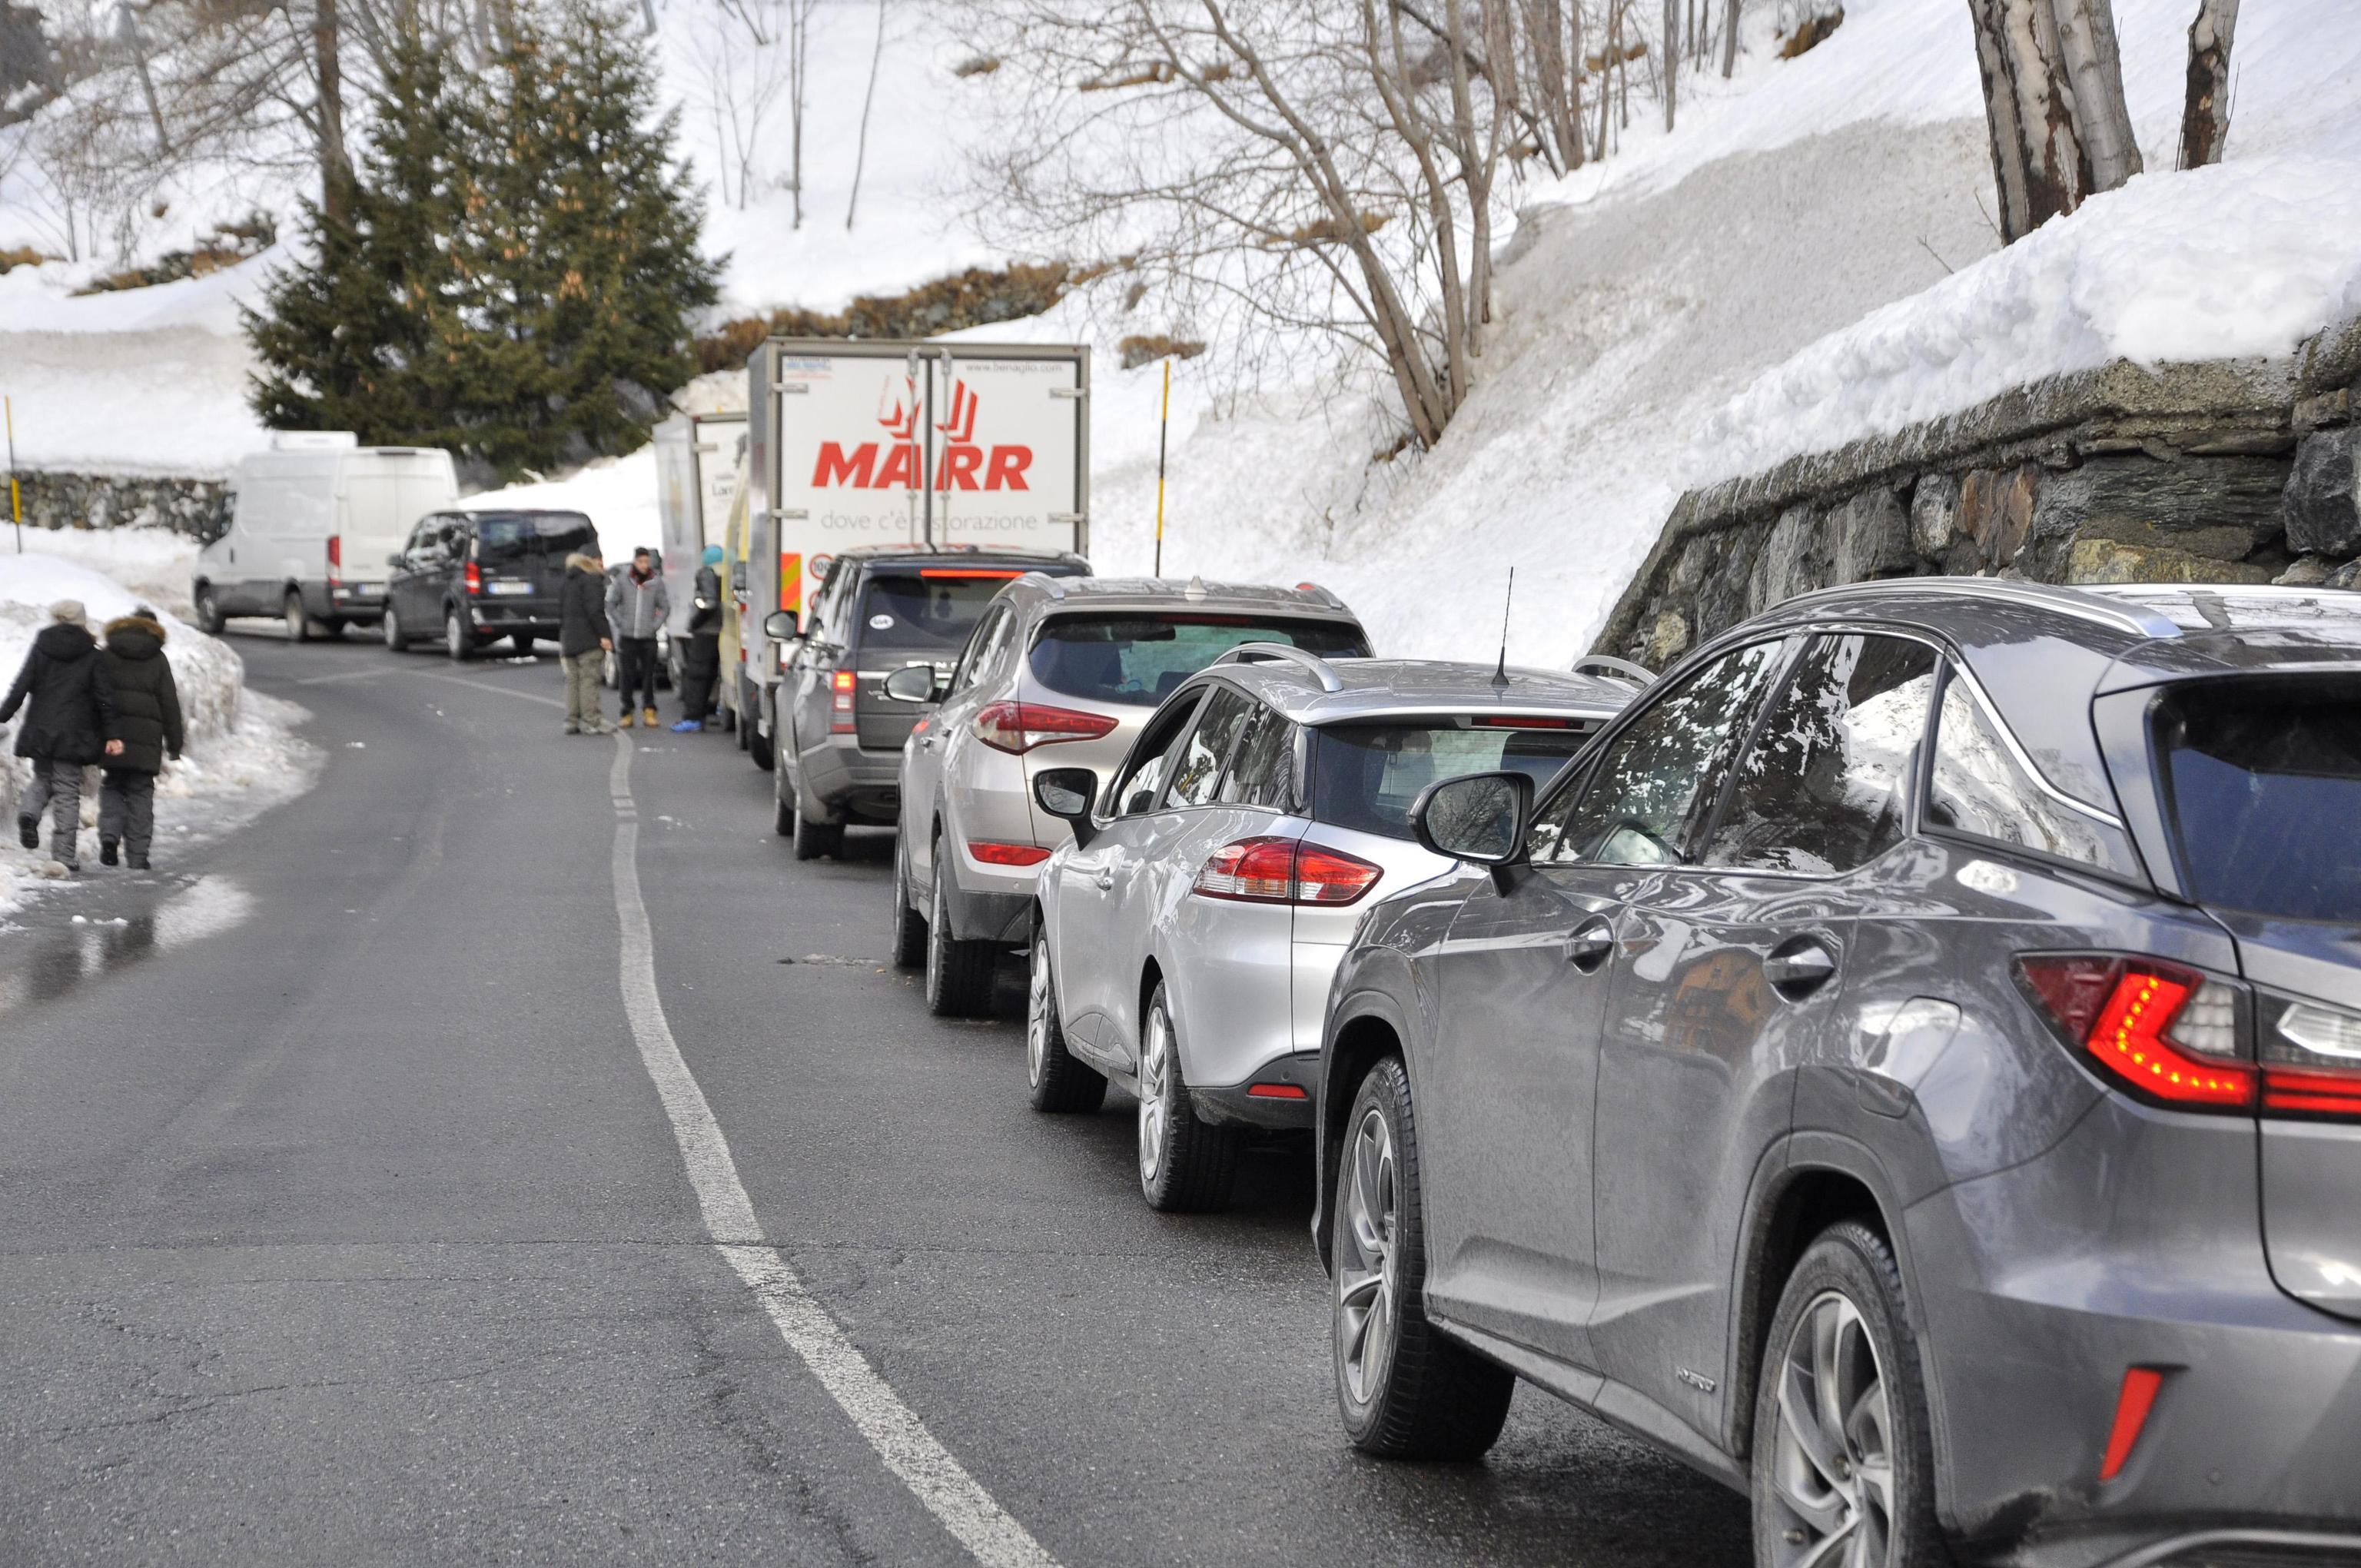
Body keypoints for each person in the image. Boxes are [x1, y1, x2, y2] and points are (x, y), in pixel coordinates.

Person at [2, 599, 117, 873]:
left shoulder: (42, 647)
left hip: (41, 730)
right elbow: (105, 699)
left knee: (43, 778)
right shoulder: (92, 654)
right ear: (81, 621)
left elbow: (22, 685)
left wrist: (3, 715)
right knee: (67, 792)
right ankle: (64, 857)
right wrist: (113, 733)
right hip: (75, 734)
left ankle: (28, 813)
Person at [96, 604, 184, 870]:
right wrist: (175, 744)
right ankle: (138, 856)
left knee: (113, 786)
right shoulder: (157, 659)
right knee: (141, 794)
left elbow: (96, 696)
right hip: (146, 742)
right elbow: (169, 703)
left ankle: (110, 837)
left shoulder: (107, 654)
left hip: (114, 738)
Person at [606, 546, 669, 729]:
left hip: (648, 637)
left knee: (649, 675)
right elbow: (610, 603)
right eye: (641, 561)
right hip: (628, 636)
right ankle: (627, 711)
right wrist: (620, 622)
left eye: (646, 562)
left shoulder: (656, 582)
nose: (644, 565)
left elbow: (665, 606)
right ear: (635, 561)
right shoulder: (623, 580)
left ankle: (649, 710)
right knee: (627, 675)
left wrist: (655, 625)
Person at [558, 547, 613, 736]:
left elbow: (560, 612)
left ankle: (571, 721)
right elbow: (595, 611)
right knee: (589, 680)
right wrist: (605, 636)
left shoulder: (567, 580)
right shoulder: (592, 580)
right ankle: (593, 721)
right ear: (592, 561)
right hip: (589, 639)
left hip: (569, 639)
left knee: (572, 682)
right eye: (600, 560)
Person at [672, 544, 724, 732]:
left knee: (696, 675)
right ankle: (704, 713)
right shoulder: (727, 573)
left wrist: (694, 622)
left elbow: (709, 603)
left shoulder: (706, 573)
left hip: (705, 632)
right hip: (721, 631)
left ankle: (693, 717)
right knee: (711, 675)